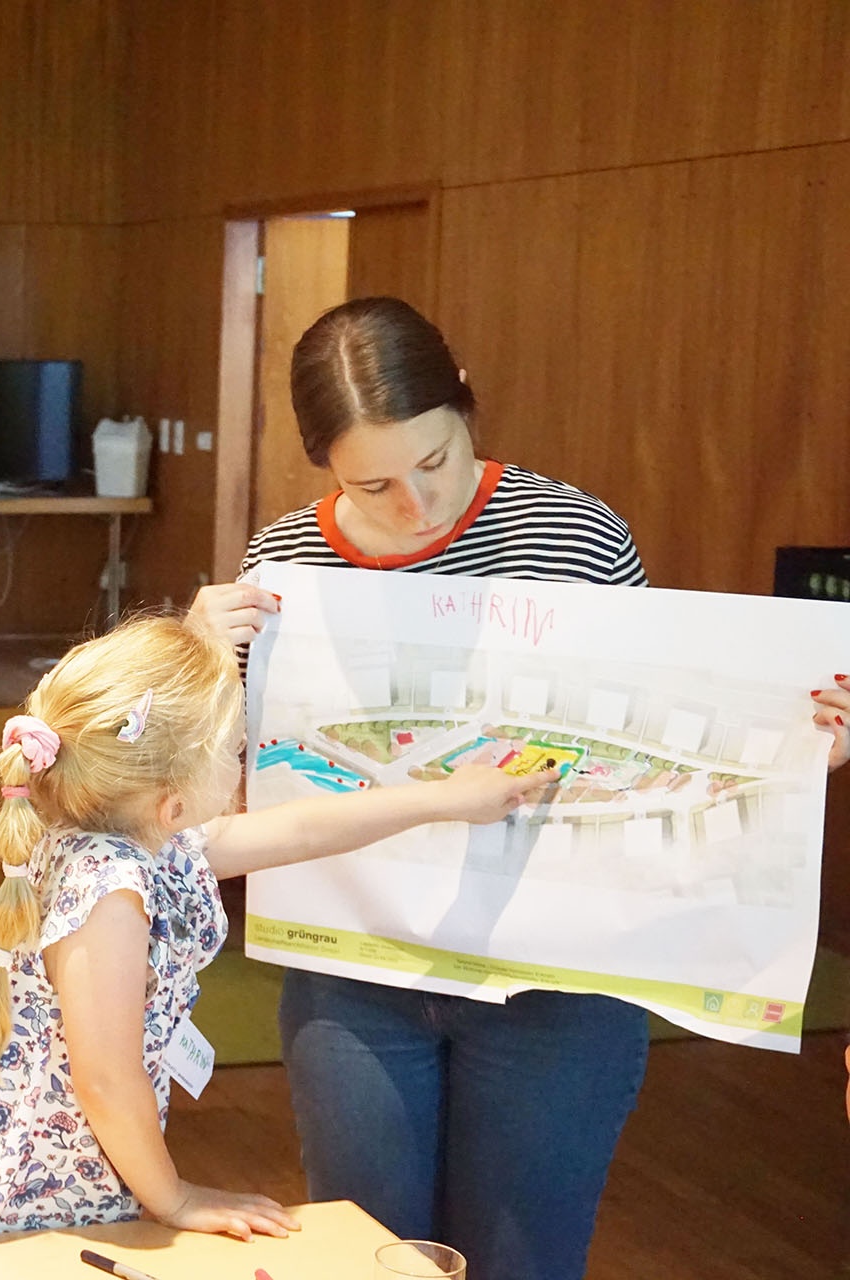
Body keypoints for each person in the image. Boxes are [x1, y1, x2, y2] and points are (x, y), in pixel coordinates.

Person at [191, 296, 850, 1280]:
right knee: (370, 1258)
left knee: (522, 1261)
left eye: (436, 462)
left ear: (466, 404)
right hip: (357, 969)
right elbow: (214, 794)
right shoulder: (286, 561)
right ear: (320, 460)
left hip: (556, 982)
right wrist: (204, 660)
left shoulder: (575, 533)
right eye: (373, 482)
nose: (417, 505)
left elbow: (631, 739)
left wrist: (806, 753)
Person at [0, 614, 552, 1247]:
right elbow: (107, 1079)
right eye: (237, 747)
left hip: (26, 1210)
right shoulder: (107, 892)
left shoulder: (142, 838)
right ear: (172, 802)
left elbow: (299, 829)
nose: (246, 760)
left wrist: (446, 799)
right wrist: (171, 1197)